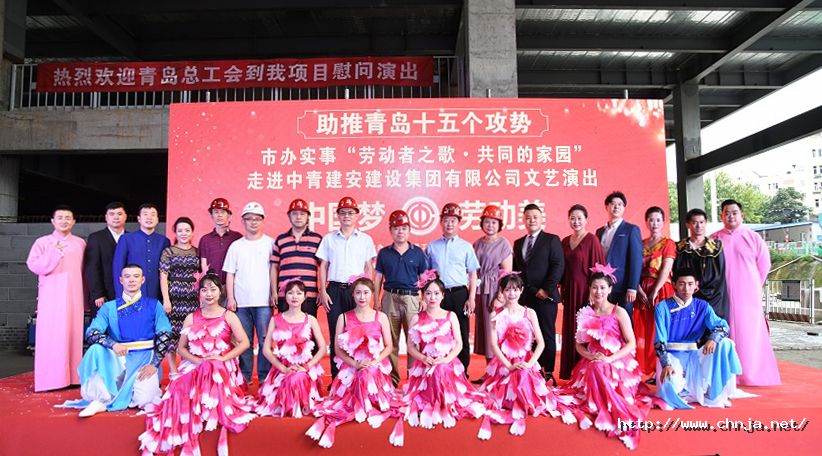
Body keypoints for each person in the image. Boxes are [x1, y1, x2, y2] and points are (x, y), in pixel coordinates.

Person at [139, 272, 256, 456]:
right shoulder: (191, 317)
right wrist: (199, 361)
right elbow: (181, 348)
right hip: (196, 363)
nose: (209, 294)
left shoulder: (229, 316)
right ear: (199, 293)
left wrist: (223, 358)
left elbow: (245, 343)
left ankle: (207, 406)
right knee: (179, 386)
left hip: (221, 366)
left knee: (213, 367)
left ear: (220, 292)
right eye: (204, 290)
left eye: (213, 289)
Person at [556, 267, 669, 450]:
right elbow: (579, 345)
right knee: (595, 367)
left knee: (598, 368)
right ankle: (605, 407)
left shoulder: (619, 312)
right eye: (594, 287)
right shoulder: (585, 313)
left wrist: (610, 359)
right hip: (593, 359)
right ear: (589, 289)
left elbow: (631, 343)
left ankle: (614, 411)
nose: (598, 292)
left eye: (602, 287)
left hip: (616, 361)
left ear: (609, 289)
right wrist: (591, 356)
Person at [56, 264, 173, 417]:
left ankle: (127, 392)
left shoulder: (154, 305)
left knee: (146, 400)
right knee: (95, 350)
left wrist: (154, 364)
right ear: (121, 280)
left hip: (145, 360)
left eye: (136, 276)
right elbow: (91, 332)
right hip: (119, 360)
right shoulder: (108, 307)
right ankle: (100, 399)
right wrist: (112, 344)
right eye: (127, 276)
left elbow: (165, 333)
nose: (132, 280)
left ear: (142, 280)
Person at [306, 277, 402, 448]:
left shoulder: (381, 317)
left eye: (366, 292)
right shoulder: (344, 317)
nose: (362, 297)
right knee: (360, 375)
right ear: (353, 295)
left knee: (367, 374)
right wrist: (355, 364)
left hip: (374, 364)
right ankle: (360, 407)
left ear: (372, 294)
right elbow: (337, 349)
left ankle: (366, 406)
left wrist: (374, 361)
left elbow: (389, 346)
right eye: (358, 293)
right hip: (351, 367)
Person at [479, 272, 573, 437]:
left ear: (521, 290)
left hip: (526, 360)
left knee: (523, 377)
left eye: (515, 289)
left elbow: (541, 343)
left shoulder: (529, 313)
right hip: (503, 363)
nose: (511, 294)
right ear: (501, 291)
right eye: (507, 289)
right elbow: (493, 345)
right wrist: (509, 366)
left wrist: (530, 364)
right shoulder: (495, 315)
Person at [401, 272, 487, 434]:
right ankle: (431, 402)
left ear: (442, 295)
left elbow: (459, 344)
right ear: (423, 295)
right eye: (428, 293)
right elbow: (410, 347)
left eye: (436, 293)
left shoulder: (451, 316)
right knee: (433, 371)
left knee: (440, 369)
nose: (432, 297)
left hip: (447, 362)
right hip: (424, 364)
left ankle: (442, 403)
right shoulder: (416, 319)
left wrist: (446, 359)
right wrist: (423, 358)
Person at [710, 199, 781, 386]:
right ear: (721, 216)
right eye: (726, 213)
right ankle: (726, 373)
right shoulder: (714, 240)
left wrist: (754, 285)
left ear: (741, 215)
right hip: (721, 294)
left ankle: (750, 373)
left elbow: (764, 265)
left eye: (734, 213)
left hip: (748, 293)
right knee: (724, 329)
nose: (730, 216)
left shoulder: (753, 238)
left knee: (749, 332)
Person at [655, 268, 742, 409]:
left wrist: (713, 339)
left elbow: (723, 326)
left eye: (690, 284)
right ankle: (685, 389)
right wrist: (666, 364)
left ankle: (715, 393)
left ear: (696, 285)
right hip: (671, 355)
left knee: (725, 343)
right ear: (674, 284)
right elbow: (660, 340)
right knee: (670, 386)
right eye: (682, 284)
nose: (686, 289)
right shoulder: (662, 307)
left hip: (695, 355)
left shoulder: (702, 306)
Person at [26, 204, 86, 392]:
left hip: (75, 295)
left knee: (74, 335)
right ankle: (50, 380)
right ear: (53, 221)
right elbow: (34, 265)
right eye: (60, 217)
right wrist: (54, 253)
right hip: (51, 297)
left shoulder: (80, 243)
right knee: (52, 336)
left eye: (68, 218)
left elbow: (85, 272)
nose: (64, 221)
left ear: (73, 221)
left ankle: (73, 377)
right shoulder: (43, 242)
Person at [316, 196, 376, 378]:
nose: (347, 216)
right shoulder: (329, 239)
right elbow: (323, 266)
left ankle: (357, 375)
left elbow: (368, 267)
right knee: (336, 333)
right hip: (334, 290)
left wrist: (367, 293)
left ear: (357, 215)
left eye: (350, 212)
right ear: (338, 215)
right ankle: (337, 377)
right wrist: (323, 291)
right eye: (343, 213)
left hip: (356, 292)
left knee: (357, 332)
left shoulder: (365, 239)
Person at [257, 278, 327, 418]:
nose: (294, 296)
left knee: (297, 378)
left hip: (304, 368)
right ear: (285, 296)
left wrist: (307, 366)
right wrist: (283, 369)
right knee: (290, 379)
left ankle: (297, 406)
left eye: (299, 293)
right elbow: (266, 349)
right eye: (290, 293)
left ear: (305, 297)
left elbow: (323, 348)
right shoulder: (275, 319)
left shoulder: (310, 319)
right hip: (283, 368)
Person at [375, 209, 429, 386]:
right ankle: (392, 379)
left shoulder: (418, 253)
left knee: (413, 339)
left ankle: (413, 378)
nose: (400, 232)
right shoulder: (384, 253)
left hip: (412, 298)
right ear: (390, 231)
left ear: (409, 230)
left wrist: (424, 299)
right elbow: (378, 278)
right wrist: (376, 300)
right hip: (390, 297)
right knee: (390, 339)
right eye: (396, 228)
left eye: (404, 228)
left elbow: (424, 278)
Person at [512, 203, 564, 385]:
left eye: (535, 217)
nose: (531, 220)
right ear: (523, 220)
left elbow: (558, 265)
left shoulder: (551, 240)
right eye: (528, 217)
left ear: (542, 219)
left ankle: (547, 371)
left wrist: (546, 289)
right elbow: (516, 271)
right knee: (529, 334)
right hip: (525, 297)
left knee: (546, 334)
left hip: (545, 297)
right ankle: (532, 369)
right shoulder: (519, 243)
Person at [223, 201, 274, 384]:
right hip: (241, 302)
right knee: (244, 341)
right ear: (243, 221)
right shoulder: (236, 246)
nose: (253, 222)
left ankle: (264, 377)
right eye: (249, 219)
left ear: (263, 220)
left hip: (264, 302)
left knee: (264, 340)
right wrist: (231, 298)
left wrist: (273, 294)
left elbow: (274, 271)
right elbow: (230, 273)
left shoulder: (271, 243)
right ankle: (245, 377)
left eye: (257, 218)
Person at [425, 202, 479, 373]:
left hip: (459, 294)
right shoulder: (432, 246)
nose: (449, 224)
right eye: (446, 220)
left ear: (459, 222)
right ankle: (439, 368)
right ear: (441, 222)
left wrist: (471, 298)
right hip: (438, 295)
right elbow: (427, 275)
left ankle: (462, 371)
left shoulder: (466, 246)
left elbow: (473, 274)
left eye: (453, 220)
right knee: (438, 331)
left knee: (461, 331)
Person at [559, 204, 604, 380]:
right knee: (571, 329)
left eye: (579, 218)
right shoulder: (564, 241)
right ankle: (570, 371)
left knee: (584, 330)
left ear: (586, 220)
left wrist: (593, 294)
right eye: (572, 218)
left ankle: (585, 372)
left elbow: (598, 270)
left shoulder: (592, 240)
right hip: (569, 291)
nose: (576, 221)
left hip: (585, 292)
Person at [472, 205, 513, 383]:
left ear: (499, 225)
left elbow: (507, 273)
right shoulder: (477, 243)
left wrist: (500, 297)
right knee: (485, 331)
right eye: (487, 222)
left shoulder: (504, 244)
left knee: (496, 331)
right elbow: (472, 270)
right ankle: (490, 371)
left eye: (494, 222)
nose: (490, 225)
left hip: (496, 290)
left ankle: (500, 371)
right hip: (481, 290)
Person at [635, 207, 675, 379]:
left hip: (661, 290)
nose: (654, 223)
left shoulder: (668, 243)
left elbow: (666, 269)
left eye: (658, 220)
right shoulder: (640, 244)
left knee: (660, 328)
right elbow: (634, 269)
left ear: (663, 222)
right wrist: (639, 290)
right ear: (646, 222)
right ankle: (646, 368)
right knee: (644, 329)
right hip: (642, 291)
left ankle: (661, 367)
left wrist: (655, 291)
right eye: (651, 220)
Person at [159, 216, 201, 373]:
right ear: (175, 233)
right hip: (174, 298)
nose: (184, 233)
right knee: (173, 334)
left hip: (192, 300)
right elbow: (163, 275)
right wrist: (166, 300)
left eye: (187, 230)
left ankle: (186, 368)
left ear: (192, 232)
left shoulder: (197, 252)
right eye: (180, 230)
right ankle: (173, 371)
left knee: (190, 334)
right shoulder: (168, 252)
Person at [674, 208, 729, 319]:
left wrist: (701, 288)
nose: (699, 226)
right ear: (688, 225)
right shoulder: (680, 248)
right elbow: (676, 272)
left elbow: (720, 275)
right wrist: (690, 288)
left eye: (702, 222)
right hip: (686, 295)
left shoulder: (715, 247)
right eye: (694, 222)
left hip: (713, 297)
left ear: (705, 223)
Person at [270, 198, 322, 316]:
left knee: (308, 327)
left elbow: (324, 267)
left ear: (308, 217)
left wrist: (322, 290)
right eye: (294, 214)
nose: (298, 217)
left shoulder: (317, 239)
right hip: (285, 295)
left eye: (302, 214)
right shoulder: (281, 239)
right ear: (289, 217)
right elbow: (274, 267)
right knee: (284, 327)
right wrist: (274, 292)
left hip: (309, 295)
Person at [595, 191, 642, 319]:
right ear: (606, 207)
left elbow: (636, 261)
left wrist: (632, 287)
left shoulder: (631, 229)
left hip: (623, 287)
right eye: (613, 204)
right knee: (605, 321)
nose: (616, 207)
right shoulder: (600, 231)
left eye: (620, 204)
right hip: (603, 287)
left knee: (623, 321)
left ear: (624, 208)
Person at [112, 203, 170, 300]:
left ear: (157, 219)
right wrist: (120, 295)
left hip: (156, 293)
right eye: (145, 214)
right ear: (139, 219)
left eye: (152, 214)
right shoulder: (126, 239)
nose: (149, 217)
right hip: (131, 294)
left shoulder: (164, 241)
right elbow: (118, 268)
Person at [83, 201, 127, 318]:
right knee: (102, 326)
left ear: (125, 217)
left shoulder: (131, 238)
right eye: (112, 214)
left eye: (119, 214)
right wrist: (97, 293)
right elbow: (92, 267)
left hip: (127, 294)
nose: (116, 217)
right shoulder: (96, 238)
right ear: (106, 217)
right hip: (104, 295)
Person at [198, 198, 243, 283]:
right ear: (211, 215)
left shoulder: (237, 237)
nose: (219, 215)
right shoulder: (205, 239)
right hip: (213, 286)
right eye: (216, 212)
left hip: (234, 284)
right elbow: (203, 265)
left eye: (223, 212)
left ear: (229, 215)